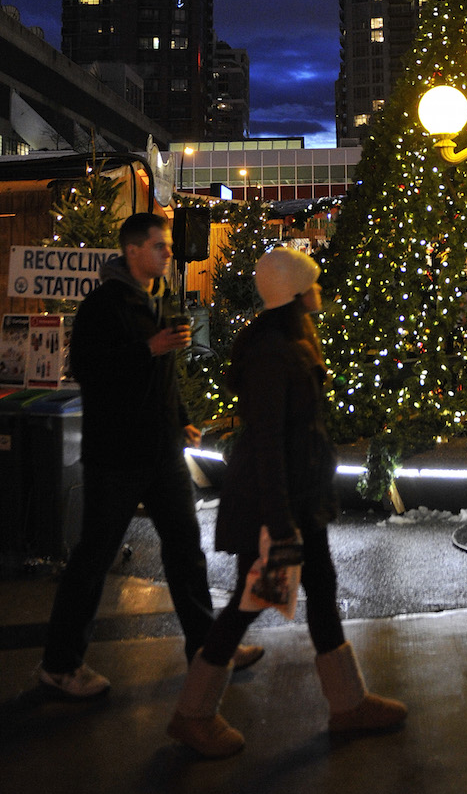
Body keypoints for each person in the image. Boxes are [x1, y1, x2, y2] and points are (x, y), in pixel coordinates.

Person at [166, 246, 406, 758]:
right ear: (296, 294)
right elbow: (270, 438)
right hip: (275, 502)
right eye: (313, 284)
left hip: (296, 497)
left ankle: (348, 704)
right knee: (249, 600)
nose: (321, 291)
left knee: (319, 588)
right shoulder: (274, 351)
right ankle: (192, 713)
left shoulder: (291, 338)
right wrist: (278, 521)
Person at [38, 212, 262, 699]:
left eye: (166, 246)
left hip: (161, 451)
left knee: (185, 552)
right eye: (159, 246)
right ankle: (60, 665)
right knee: (93, 559)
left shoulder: (158, 298)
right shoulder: (103, 306)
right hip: (116, 455)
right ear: (133, 251)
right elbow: (89, 372)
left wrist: (180, 414)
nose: (167, 253)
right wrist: (149, 347)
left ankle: (206, 649)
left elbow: (162, 374)